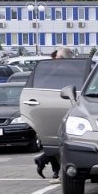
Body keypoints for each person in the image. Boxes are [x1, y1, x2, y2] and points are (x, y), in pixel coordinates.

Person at [33, 46, 75, 183]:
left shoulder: (66, 70)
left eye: (57, 58)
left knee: (58, 140)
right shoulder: (55, 71)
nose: (55, 60)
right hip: (54, 108)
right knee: (55, 140)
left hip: (63, 108)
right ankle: (55, 169)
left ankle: (47, 163)